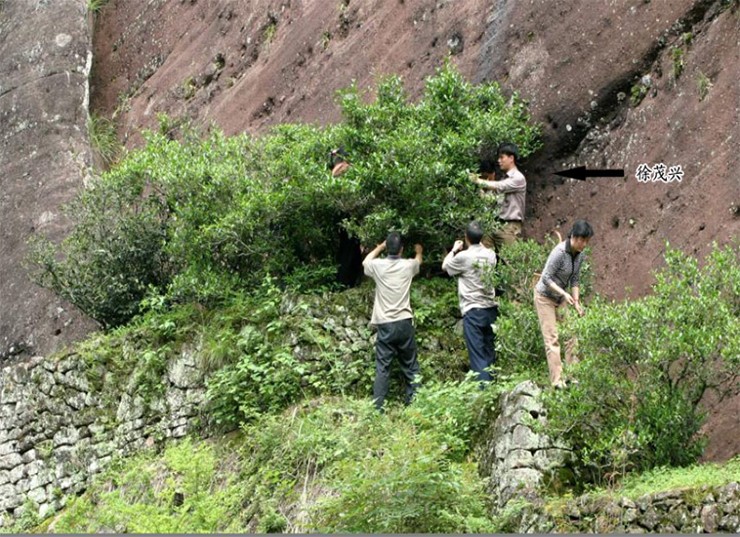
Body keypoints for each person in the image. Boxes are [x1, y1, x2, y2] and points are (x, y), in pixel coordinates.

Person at [362, 232, 423, 410]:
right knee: (411, 365)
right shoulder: (408, 265)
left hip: (385, 323)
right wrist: (419, 251)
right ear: (402, 249)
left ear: (387, 249)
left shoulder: (378, 266)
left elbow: (365, 261)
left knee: (383, 367)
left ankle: (378, 406)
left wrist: (379, 247)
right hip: (404, 321)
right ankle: (414, 404)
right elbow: (418, 261)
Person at [533, 219, 594, 389]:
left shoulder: (580, 255)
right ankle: (557, 381)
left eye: (587, 241)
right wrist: (564, 293)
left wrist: (576, 302)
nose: (584, 244)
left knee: (571, 336)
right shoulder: (559, 252)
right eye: (582, 240)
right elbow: (545, 278)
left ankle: (572, 377)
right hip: (545, 297)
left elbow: (575, 279)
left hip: (562, 299)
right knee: (552, 339)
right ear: (574, 237)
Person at [442, 221, 499, 383]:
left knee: (478, 356)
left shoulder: (463, 257)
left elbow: (445, 267)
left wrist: (454, 249)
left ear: (466, 238)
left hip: (473, 311)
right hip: (491, 309)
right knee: (490, 352)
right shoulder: (491, 255)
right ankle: (493, 391)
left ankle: (483, 393)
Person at [470, 142, 526, 251]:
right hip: (495, 224)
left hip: (509, 227)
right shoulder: (505, 178)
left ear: (511, 158)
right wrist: (479, 191)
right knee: (483, 257)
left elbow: (499, 186)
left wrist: (477, 180)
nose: (499, 161)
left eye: (502, 157)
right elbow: (493, 200)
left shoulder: (518, 178)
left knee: (509, 262)